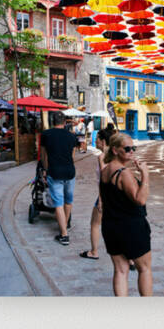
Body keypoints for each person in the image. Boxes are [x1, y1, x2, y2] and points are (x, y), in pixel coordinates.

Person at [99, 132, 152, 296]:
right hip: (131, 227)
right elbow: (140, 199)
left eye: (133, 148)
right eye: (127, 148)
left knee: (121, 271)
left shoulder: (105, 170)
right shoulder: (123, 173)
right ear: (115, 150)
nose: (131, 151)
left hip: (110, 226)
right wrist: (145, 175)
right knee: (144, 268)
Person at [40, 112, 78, 245]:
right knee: (68, 201)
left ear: (52, 121)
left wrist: (45, 169)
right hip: (70, 171)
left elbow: (43, 155)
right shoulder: (72, 136)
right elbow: (73, 157)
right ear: (64, 122)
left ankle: (64, 234)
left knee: (58, 203)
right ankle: (65, 225)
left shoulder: (46, 135)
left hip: (55, 172)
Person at [79, 127, 115, 261]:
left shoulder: (102, 156)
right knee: (118, 224)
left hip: (106, 195)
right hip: (117, 194)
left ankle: (94, 251)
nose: (95, 142)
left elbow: (104, 180)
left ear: (103, 141)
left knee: (95, 223)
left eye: (97, 139)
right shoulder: (116, 154)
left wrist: (101, 199)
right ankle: (129, 257)